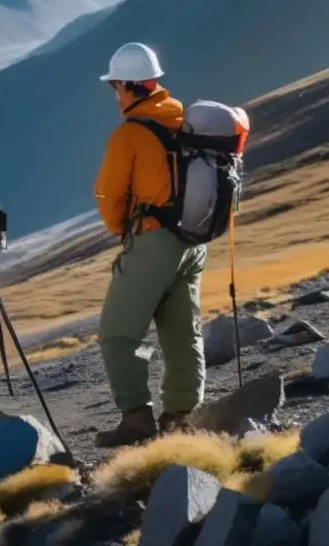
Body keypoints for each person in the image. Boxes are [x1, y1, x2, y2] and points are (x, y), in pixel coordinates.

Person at [91, 42, 209, 448]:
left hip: (153, 241)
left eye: (116, 87)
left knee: (118, 334)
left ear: (129, 86)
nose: (116, 96)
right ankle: (179, 417)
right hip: (194, 240)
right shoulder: (185, 118)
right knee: (182, 332)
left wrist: (124, 230)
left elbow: (108, 194)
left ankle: (137, 419)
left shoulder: (130, 134)